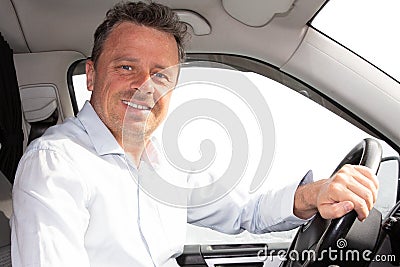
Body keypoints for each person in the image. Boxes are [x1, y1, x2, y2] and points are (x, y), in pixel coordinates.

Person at [11, 1, 378, 267]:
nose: (144, 86)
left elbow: (244, 211)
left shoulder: (164, 164)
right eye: (126, 67)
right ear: (92, 76)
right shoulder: (56, 165)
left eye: (161, 75)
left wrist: (314, 195)